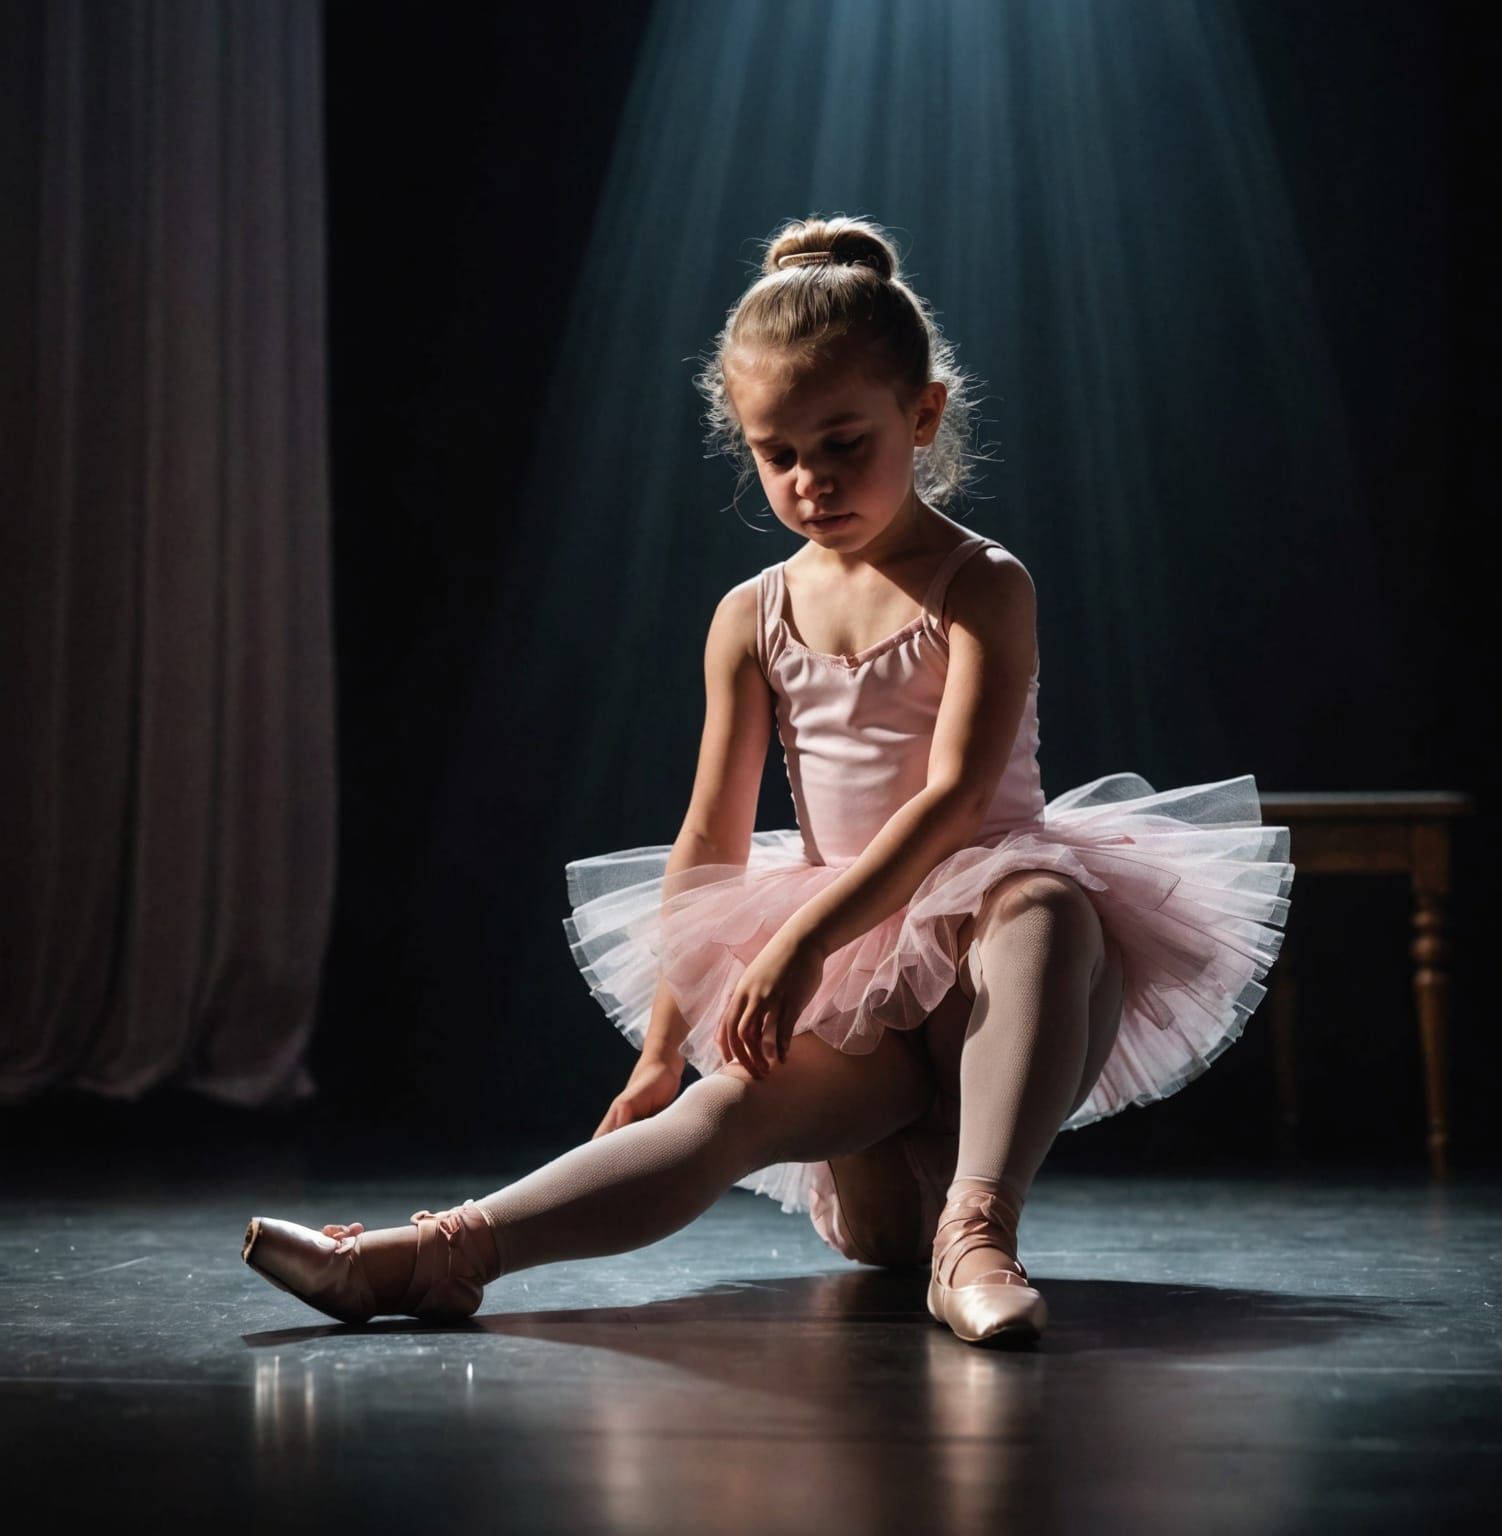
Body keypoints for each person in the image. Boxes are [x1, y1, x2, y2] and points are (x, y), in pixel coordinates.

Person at [242, 213, 1295, 1347]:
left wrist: (797, 942)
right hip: (870, 1020)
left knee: (1038, 902)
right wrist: (658, 1050)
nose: (811, 480)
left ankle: (980, 1235)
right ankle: (435, 1258)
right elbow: (711, 836)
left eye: (844, 443)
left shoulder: (981, 584)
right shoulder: (752, 617)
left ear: (923, 414)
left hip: (999, 991)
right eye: (777, 453)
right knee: (727, 1109)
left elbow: (952, 804)